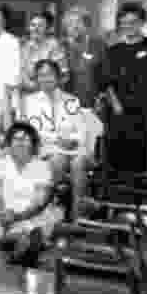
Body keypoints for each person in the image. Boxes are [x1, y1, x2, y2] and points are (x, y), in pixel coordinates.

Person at [0, 122, 63, 264]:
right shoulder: (0, 164)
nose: (20, 143)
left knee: (31, 229)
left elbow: (40, 201)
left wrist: (18, 216)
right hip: (1, 216)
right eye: (16, 139)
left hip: (30, 216)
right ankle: (17, 243)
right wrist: (2, 213)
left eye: (25, 139)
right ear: (9, 143)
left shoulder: (42, 167)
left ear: (33, 144)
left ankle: (17, 242)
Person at [19, 59, 91, 221]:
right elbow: (31, 131)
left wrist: (72, 140)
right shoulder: (30, 102)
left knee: (79, 161)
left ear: (58, 77)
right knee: (58, 158)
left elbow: (81, 130)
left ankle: (77, 215)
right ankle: (44, 209)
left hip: (72, 147)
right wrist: (57, 139)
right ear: (36, 79)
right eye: (41, 75)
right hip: (45, 147)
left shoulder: (70, 100)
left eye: (50, 74)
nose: (46, 79)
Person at [102, 2, 147, 174]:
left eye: (133, 22)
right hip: (118, 111)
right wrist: (116, 105)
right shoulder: (113, 50)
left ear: (142, 22)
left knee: (141, 157)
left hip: (146, 111)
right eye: (124, 22)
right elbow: (106, 82)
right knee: (117, 157)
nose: (129, 26)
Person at [61, 6, 108, 110]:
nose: (74, 26)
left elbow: (106, 75)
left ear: (87, 25)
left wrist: (102, 97)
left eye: (78, 22)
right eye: (70, 23)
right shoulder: (61, 47)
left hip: (94, 104)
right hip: (68, 104)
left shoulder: (98, 44)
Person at [19, 12, 67, 93]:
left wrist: (38, 86)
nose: (36, 28)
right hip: (26, 95)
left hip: (48, 95)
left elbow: (63, 76)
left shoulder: (55, 46)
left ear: (47, 29)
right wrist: (26, 83)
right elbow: (20, 71)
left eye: (40, 26)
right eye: (33, 25)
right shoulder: (24, 47)